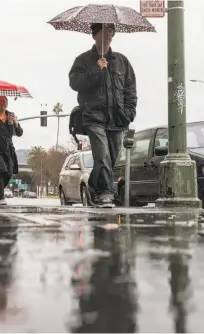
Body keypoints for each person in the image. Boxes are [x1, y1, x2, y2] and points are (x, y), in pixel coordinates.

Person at [68, 23, 137, 208]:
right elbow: (74, 83)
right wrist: (96, 70)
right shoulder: (82, 61)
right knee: (102, 156)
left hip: (118, 118)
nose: (108, 36)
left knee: (111, 159)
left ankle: (92, 185)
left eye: (111, 33)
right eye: (104, 32)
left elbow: (130, 89)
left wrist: (129, 112)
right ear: (95, 35)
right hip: (94, 117)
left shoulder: (122, 61)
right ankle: (106, 193)